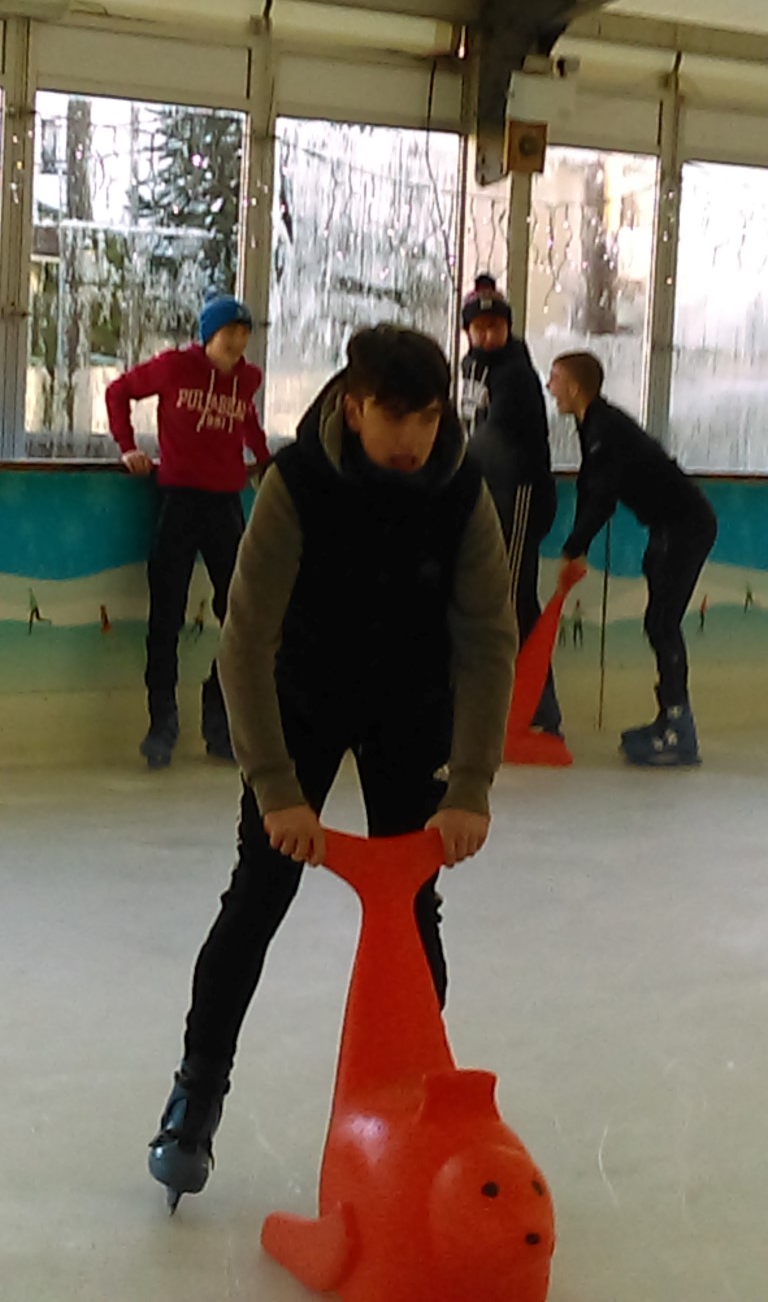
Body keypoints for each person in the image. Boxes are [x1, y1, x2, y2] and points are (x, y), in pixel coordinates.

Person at [147, 324, 517, 1209]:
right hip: (305, 697)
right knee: (259, 894)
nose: (412, 437)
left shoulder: (462, 492)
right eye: (394, 415)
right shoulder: (297, 481)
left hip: (411, 707)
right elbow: (245, 642)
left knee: (411, 905)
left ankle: (414, 1099)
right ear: (353, 406)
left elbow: (488, 639)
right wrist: (276, 786)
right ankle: (196, 1094)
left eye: (428, 417)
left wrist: (471, 782)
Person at [106, 292, 271, 769]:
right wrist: (126, 446)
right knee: (166, 615)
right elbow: (118, 391)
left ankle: (219, 720)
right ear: (208, 335)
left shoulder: (247, 380)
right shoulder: (176, 367)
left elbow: (247, 422)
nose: (238, 341)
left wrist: (266, 462)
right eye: (229, 332)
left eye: (245, 333)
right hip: (179, 499)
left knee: (240, 614)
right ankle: (162, 723)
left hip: (225, 505)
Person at [548, 350, 717, 767]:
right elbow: (591, 487)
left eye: (555, 379)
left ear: (575, 387)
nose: (550, 387)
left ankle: (679, 729)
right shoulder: (593, 424)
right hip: (669, 526)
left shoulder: (605, 429)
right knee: (658, 622)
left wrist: (574, 548)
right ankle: (670, 719)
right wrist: (578, 546)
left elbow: (602, 499)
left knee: (662, 623)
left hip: (685, 526)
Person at [461, 274, 561, 735]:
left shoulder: (515, 374)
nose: (487, 335)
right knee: (494, 593)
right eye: (479, 328)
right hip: (490, 492)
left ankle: (539, 703)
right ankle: (507, 696)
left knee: (514, 595)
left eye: (495, 327)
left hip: (521, 493)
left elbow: (491, 439)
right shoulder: (471, 367)